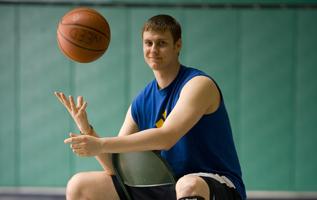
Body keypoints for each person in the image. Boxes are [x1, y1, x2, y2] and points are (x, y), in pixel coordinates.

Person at [55, 14, 246, 200]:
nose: (153, 49)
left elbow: (167, 136)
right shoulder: (142, 101)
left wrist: (101, 143)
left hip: (213, 184)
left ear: (177, 45)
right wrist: (87, 130)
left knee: (188, 185)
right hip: (166, 184)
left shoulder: (198, 84)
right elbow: (117, 167)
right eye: (148, 43)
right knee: (80, 185)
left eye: (161, 43)